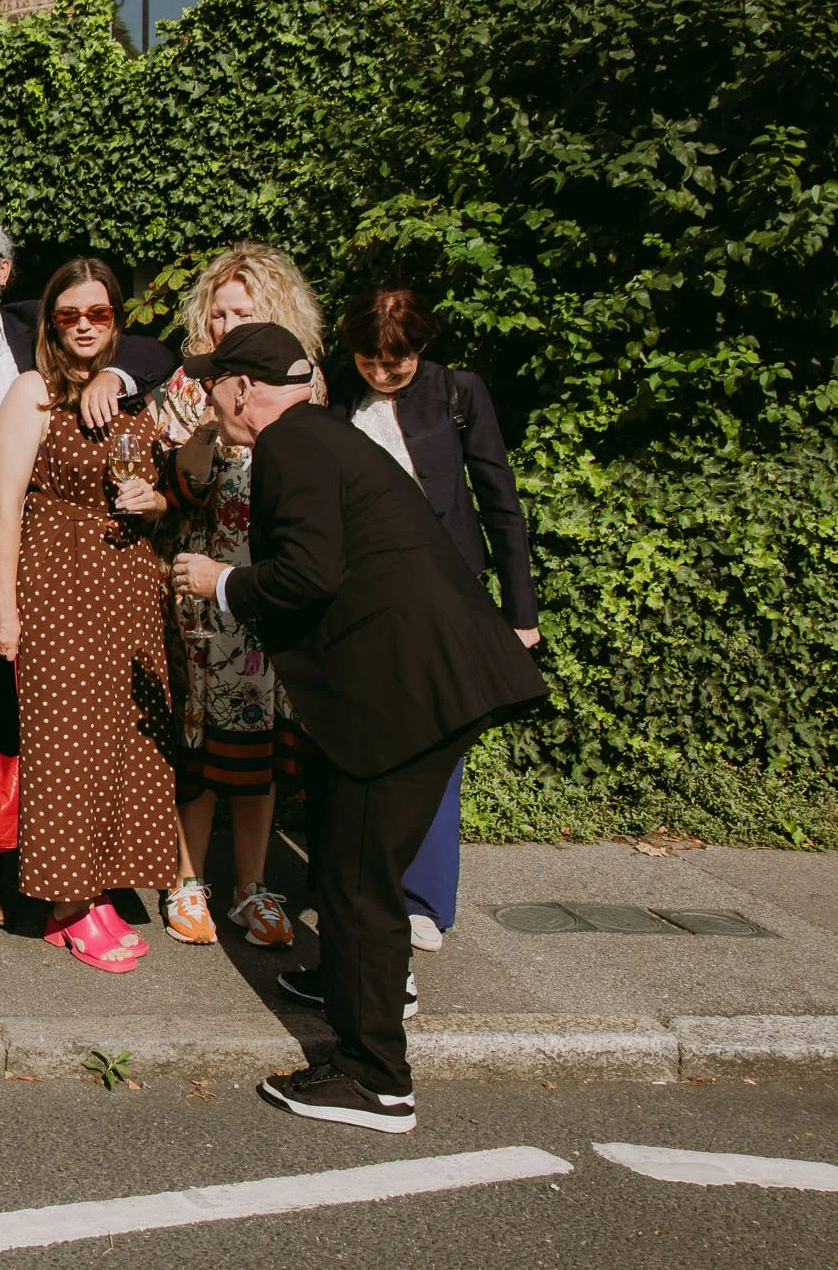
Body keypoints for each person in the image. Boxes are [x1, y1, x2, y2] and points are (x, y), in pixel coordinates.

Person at [169, 321, 547, 1133]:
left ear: (242, 389)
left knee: (360, 879)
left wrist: (221, 582)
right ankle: (344, 979)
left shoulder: (289, 449)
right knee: (345, 849)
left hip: (407, 695)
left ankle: (376, 1076)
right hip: (412, 682)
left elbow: (309, 571)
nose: (210, 398)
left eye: (214, 385)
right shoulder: (323, 434)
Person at [0, 218, 175, 930]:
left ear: (4, 270)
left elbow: (150, 346)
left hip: (18, 577)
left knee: (4, 730)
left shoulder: (33, 333)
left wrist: (115, 371)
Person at [329, 286, 541, 955]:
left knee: (438, 743)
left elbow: (499, 498)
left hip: (446, 591)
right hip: (360, 592)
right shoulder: (335, 391)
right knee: (366, 739)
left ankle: (421, 898)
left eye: (397, 360)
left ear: (421, 347)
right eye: (370, 358)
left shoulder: (458, 391)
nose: (383, 372)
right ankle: (363, 880)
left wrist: (520, 611)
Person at [0, 258, 180, 973]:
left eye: (98, 314)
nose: (84, 327)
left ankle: (98, 888)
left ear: (116, 320)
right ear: (51, 324)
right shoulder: (31, 392)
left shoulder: (134, 392)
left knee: (122, 743)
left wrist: (153, 503)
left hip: (127, 583)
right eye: (69, 317)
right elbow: (6, 502)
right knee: (65, 744)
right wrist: (4, 606)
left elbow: (165, 496)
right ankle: (66, 908)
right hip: (58, 582)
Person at [150, 244, 324, 953]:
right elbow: (169, 487)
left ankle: (253, 888)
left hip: (273, 589)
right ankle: (186, 881)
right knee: (200, 747)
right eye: (217, 312)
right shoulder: (190, 383)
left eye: (241, 312)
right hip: (202, 591)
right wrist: (207, 428)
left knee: (262, 753)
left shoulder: (300, 383)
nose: (224, 324)